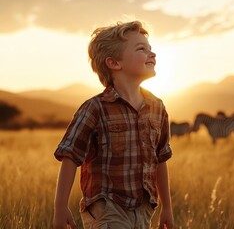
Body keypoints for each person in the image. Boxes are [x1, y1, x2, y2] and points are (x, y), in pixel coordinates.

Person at [53, 21, 174, 229]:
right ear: (114, 63)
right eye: (141, 49)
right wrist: (60, 207)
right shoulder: (95, 108)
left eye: (150, 49)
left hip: (143, 209)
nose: (152, 54)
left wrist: (167, 207)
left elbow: (160, 158)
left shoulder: (157, 108)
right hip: (106, 208)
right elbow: (70, 156)